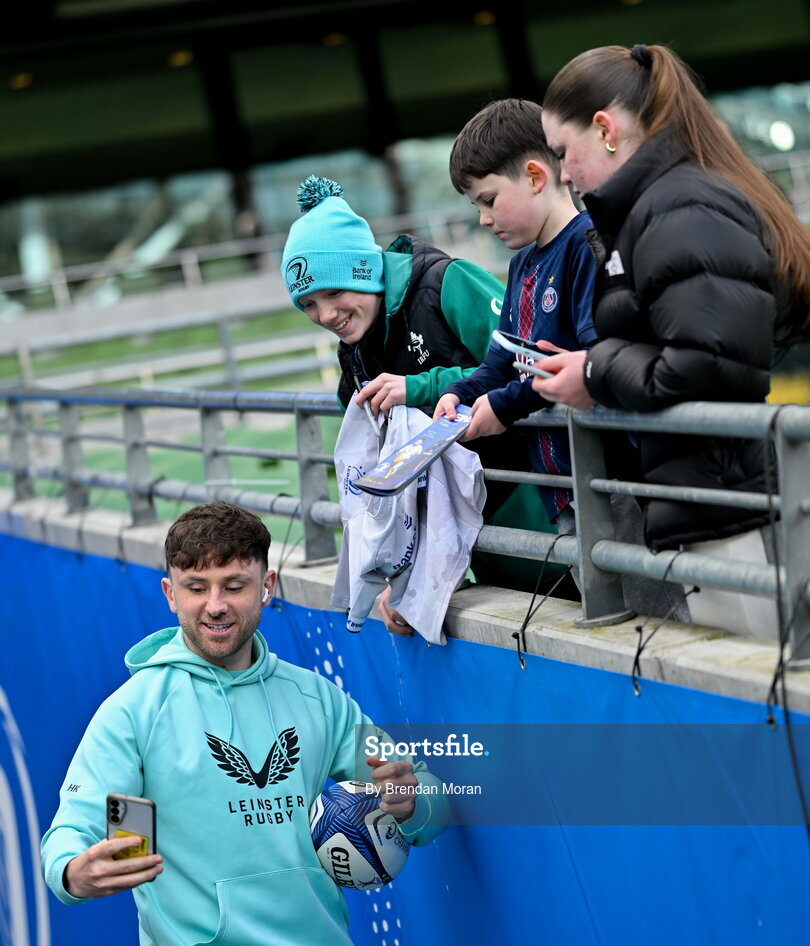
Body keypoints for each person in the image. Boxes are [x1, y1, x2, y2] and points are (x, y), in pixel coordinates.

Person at [40, 501, 448, 946]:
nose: (215, 605)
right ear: (169, 593)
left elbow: (431, 798)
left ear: (267, 585)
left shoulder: (316, 699)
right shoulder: (134, 713)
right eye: (195, 587)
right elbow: (71, 831)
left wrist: (413, 805)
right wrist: (74, 872)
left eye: (234, 585)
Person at [531, 43, 810, 634]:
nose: (563, 173)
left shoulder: (682, 204)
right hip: (715, 508)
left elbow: (705, 364)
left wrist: (593, 372)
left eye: (562, 152)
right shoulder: (660, 205)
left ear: (605, 129)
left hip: (734, 515)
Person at [281, 174, 562, 620]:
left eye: (333, 293)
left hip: (536, 507)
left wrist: (420, 388)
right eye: (308, 304)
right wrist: (404, 582)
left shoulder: (445, 283)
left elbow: (533, 364)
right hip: (465, 546)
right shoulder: (353, 361)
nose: (326, 315)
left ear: (364, 269)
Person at [433, 98, 599, 593]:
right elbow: (500, 362)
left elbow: (584, 365)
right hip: (563, 493)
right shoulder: (522, 266)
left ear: (534, 176)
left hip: (606, 482)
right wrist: (462, 395)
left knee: (647, 621)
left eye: (488, 200)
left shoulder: (586, 247)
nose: (484, 219)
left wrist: (503, 408)